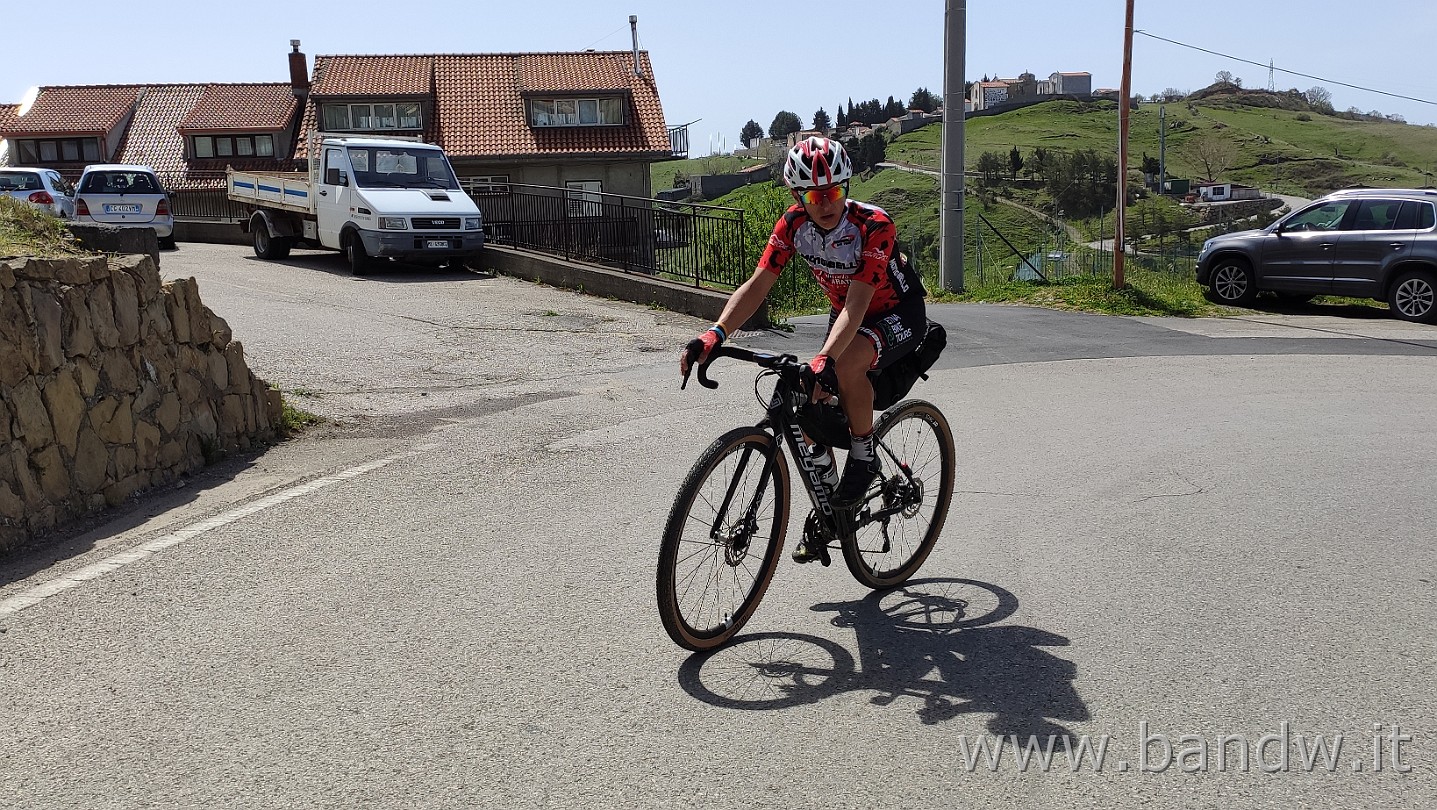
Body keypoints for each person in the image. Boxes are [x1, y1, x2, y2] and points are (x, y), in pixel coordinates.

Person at [680, 136, 927, 558]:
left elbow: (858, 302)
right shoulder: (793, 225)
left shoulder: (874, 226)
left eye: (833, 192)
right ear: (799, 196)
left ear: (845, 189)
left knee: (845, 365)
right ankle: (833, 510)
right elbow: (758, 285)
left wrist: (826, 358)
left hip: (894, 313)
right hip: (846, 316)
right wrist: (715, 334)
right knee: (803, 400)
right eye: (814, 194)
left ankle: (864, 456)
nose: (825, 202)